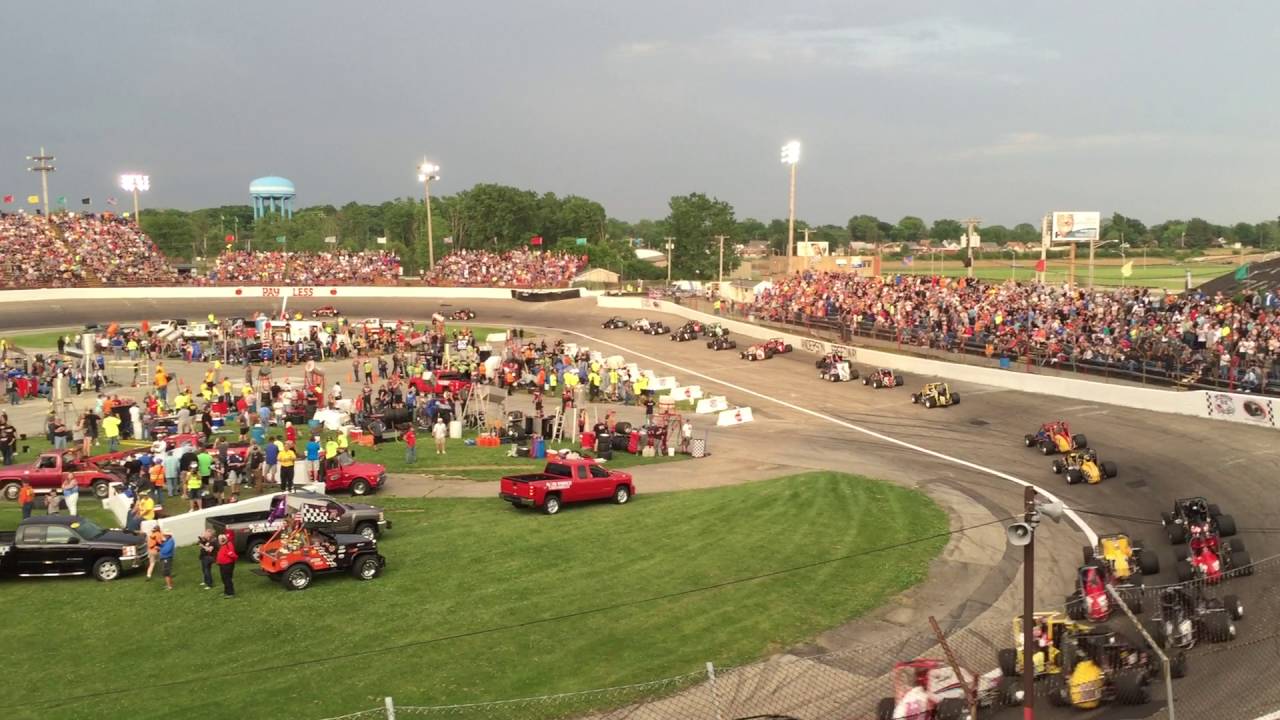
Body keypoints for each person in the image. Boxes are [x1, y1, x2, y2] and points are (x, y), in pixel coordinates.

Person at [216, 531, 238, 598]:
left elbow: (232, 555)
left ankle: (230, 593)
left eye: (219, 540)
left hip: (227, 565)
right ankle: (226, 592)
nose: (218, 541)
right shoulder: (224, 545)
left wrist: (232, 559)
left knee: (227, 578)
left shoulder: (228, 545)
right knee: (224, 578)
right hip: (223, 565)